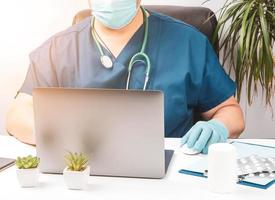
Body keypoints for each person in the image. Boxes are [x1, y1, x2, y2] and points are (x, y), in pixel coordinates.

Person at [6, 0, 245, 153]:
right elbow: (18, 115)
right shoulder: (60, 48)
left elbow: (231, 112)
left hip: (171, 172)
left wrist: (217, 126)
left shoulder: (188, 42)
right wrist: (61, 137)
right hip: (82, 171)